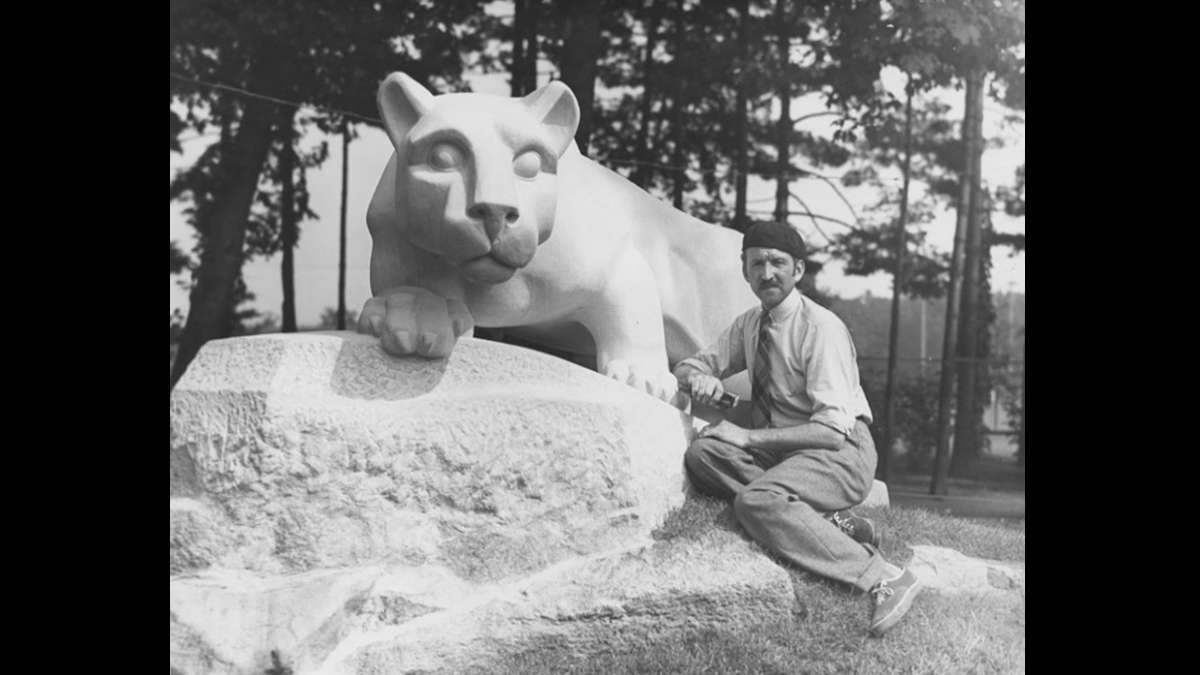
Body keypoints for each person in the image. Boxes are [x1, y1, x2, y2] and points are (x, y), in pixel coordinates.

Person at [673, 221, 922, 637]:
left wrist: (747, 436)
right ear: (745, 271)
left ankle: (883, 575)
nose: (767, 273)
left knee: (757, 501)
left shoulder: (821, 328)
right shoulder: (750, 324)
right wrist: (699, 377)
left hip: (840, 452)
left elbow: (829, 432)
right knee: (703, 455)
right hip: (788, 450)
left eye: (777, 263)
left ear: (798, 270)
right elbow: (689, 365)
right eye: (757, 264)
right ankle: (826, 520)